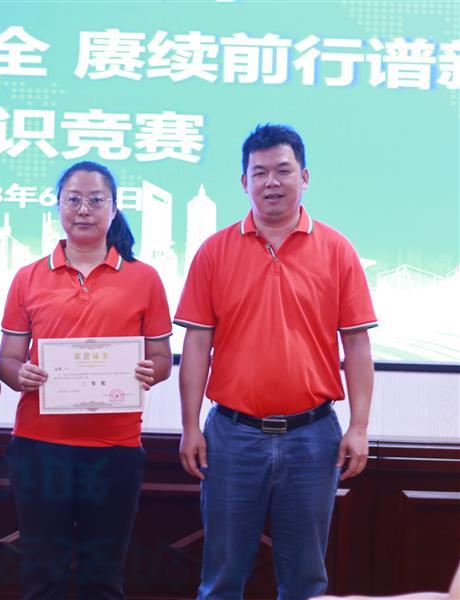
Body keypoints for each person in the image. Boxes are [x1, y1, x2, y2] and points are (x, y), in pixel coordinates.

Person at [175, 124, 377, 600]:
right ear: (243, 181)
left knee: (305, 579)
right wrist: (189, 427)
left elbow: (357, 346)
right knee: (221, 577)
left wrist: (359, 427)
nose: (272, 182)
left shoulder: (337, 250)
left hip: (313, 437)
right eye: (260, 172)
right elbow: (197, 346)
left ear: (304, 177)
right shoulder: (214, 251)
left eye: (283, 170)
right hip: (232, 436)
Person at [0, 161, 173, 599]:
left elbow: (161, 359)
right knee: (43, 574)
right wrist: (21, 374)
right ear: (58, 206)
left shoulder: (145, 278)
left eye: (96, 200)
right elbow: (8, 360)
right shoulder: (28, 277)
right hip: (41, 446)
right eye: (73, 199)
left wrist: (151, 370)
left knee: (103, 575)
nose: (83, 210)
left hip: (114, 448)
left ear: (114, 208)